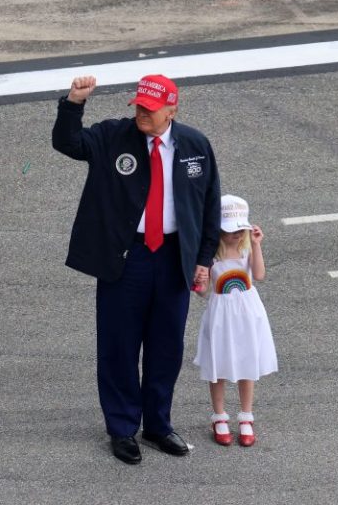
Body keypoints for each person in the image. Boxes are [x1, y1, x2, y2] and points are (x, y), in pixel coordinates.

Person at [51, 74, 221, 464]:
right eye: (139, 105)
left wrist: (203, 259)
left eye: (150, 108)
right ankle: (123, 428)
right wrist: (73, 103)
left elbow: (209, 203)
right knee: (119, 346)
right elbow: (68, 143)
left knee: (166, 347)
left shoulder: (195, 145)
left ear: (172, 110)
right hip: (127, 258)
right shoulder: (114, 136)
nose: (142, 113)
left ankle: (158, 425)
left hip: (174, 257)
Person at [192, 194, 278, 447]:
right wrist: (198, 282)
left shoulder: (247, 247)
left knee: (247, 363)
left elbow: (259, 275)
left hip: (249, 314)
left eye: (242, 229)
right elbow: (203, 291)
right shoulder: (211, 255)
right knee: (218, 366)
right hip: (221, 316)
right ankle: (219, 416)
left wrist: (257, 244)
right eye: (232, 231)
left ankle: (246, 417)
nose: (238, 234)